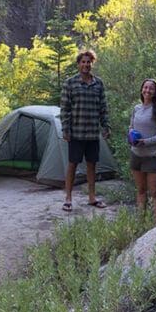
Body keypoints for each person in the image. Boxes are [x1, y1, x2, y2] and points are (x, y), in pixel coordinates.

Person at [60, 49, 112, 211]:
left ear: (92, 64)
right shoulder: (70, 83)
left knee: (92, 165)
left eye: (88, 62)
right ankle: (68, 198)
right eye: (83, 62)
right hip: (76, 132)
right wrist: (66, 129)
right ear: (78, 64)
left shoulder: (98, 84)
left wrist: (106, 126)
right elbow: (65, 109)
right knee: (72, 165)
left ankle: (92, 197)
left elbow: (103, 107)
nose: (86, 65)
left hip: (92, 134)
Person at [129, 78, 156, 225]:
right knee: (140, 190)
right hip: (136, 155)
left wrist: (146, 142)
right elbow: (131, 127)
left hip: (153, 156)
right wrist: (131, 137)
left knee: (155, 193)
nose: (147, 90)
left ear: (155, 92)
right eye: (145, 87)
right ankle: (140, 224)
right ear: (141, 90)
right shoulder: (136, 109)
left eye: (151, 88)